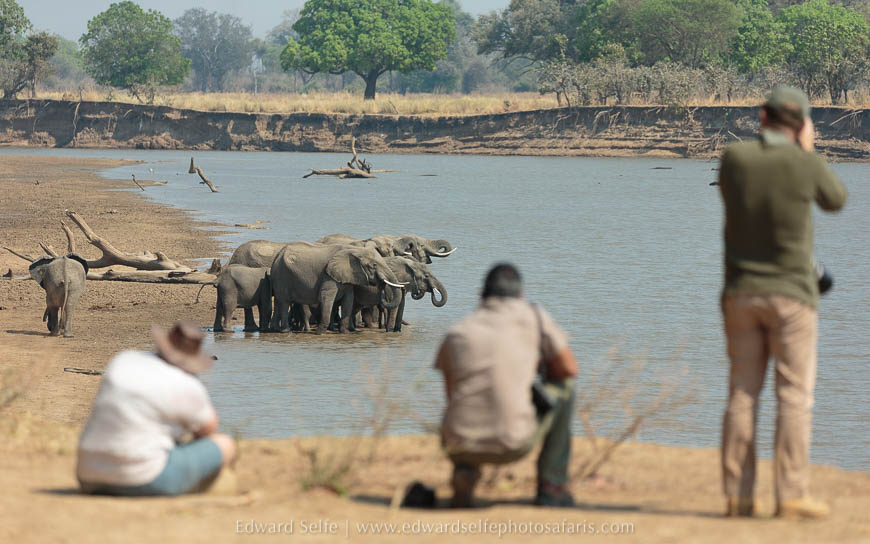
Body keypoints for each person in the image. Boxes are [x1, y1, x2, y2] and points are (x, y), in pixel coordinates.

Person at [717, 86, 847, 519]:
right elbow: (836, 200)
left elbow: (734, 198)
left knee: (742, 393)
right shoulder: (804, 162)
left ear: (761, 117)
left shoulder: (735, 160)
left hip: (740, 293)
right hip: (792, 295)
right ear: (803, 124)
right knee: (793, 394)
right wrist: (807, 151)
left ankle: (738, 494)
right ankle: (790, 496)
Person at [434, 263, 578, 507]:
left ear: (481, 296)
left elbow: (451, 393)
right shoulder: (534, 317)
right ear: (521, 296)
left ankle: (465, 469)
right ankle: (552, 485)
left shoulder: (457, 332)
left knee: (466, 398)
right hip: (513, 442)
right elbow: (568, 369)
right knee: (565, 387)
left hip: (458, 442)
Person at [76, 322, 236, 496]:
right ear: (192, 359)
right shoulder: (186, 383)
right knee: (225, 444)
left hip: (87, 474)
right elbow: (208, 430)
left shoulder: (124, 359)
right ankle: (196, 491)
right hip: (144, 480)